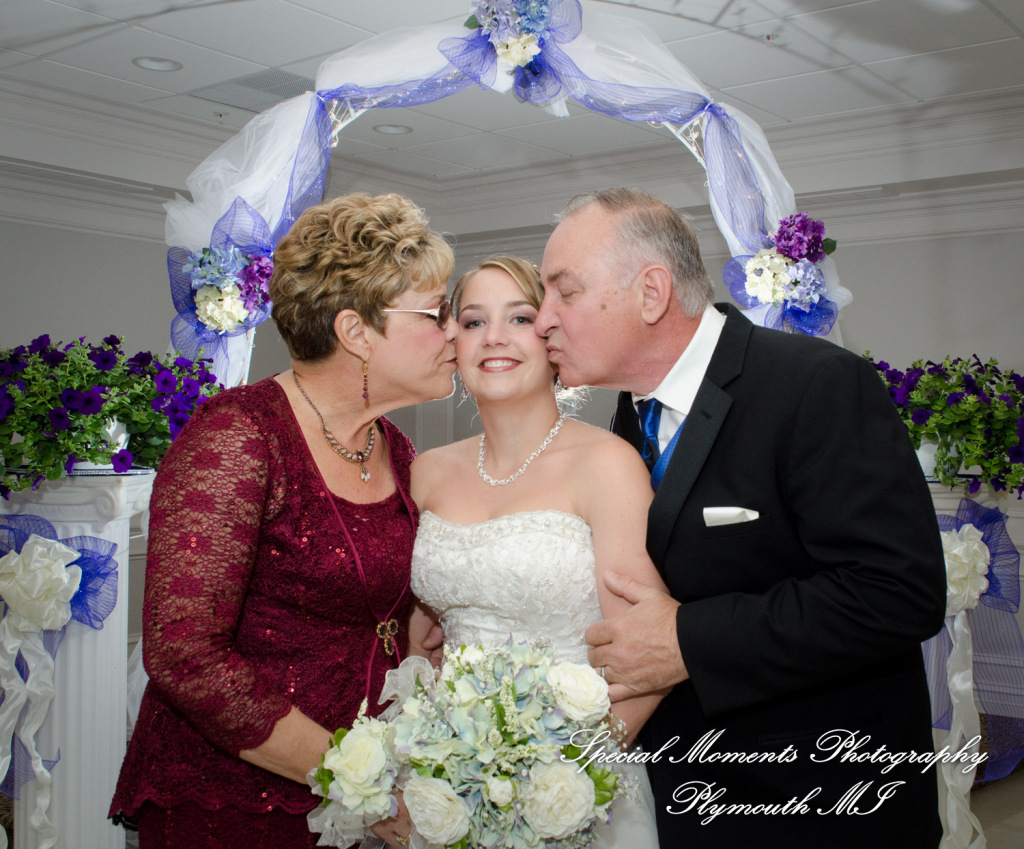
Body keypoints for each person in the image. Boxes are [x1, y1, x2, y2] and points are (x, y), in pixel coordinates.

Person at [535, 188, 947, 847]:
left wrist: (688, 642)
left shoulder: (815, 385)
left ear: (651, 292)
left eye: (564, 293)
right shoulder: (626, 415)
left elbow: (899, 591)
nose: (542, 320)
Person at [109, 192, 457, 848]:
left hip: (356, 803)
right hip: (236, 804)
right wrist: (355, 780)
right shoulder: (238, 435)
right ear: (356, 331)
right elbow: (183, 653)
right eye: (437, 313)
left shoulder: (396, 447)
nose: (455, 332)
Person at [409, 256, 664, 847]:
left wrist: (566, 783)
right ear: (453, 343)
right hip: (446, 781)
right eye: (472, 322)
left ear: (551, 335)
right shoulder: (426, 473)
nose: (493, 336)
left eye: (518, 317)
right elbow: (415, 640)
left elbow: (645, 659)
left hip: (580, 787)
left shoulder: (606, 465)